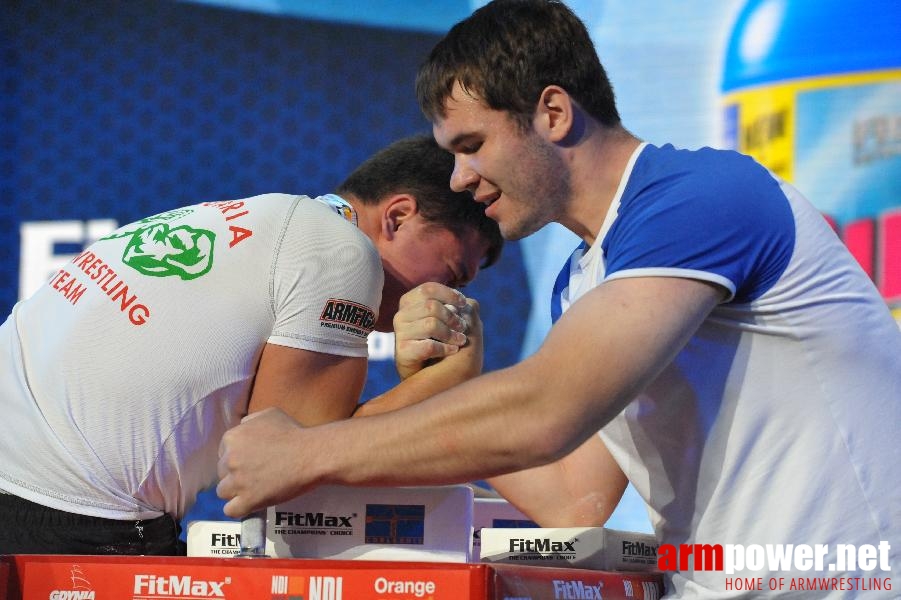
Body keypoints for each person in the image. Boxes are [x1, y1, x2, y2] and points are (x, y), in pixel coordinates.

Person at [216, 1, 901, 597]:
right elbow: (573, 496)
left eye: (471, 145)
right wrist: (456, 383)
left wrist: (308, 453)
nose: (457, 179)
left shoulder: (702, 196)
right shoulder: (582, 278)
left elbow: (548, 407)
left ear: (551, 112)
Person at [0, 133, 502, 555]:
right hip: (57, 514)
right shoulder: (341, 250)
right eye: (455, 274)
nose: (448, 297)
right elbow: (292, 467)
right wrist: (451, 379)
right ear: (397, 217)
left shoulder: (268, 220)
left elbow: (293, 449)